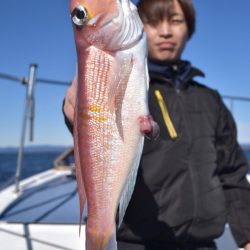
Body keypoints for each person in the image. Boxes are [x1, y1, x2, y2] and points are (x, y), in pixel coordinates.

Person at [63, 0, 250, 249]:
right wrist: (75, 112)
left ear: (189, 29)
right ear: (139, 23)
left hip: (203, 243)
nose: (165, 31)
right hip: (136, 242)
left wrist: (247, 235)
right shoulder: (135, 82)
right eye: (152, 21)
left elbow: (232, 172)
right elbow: (89, 122)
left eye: (175, 21)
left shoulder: (209, 99)